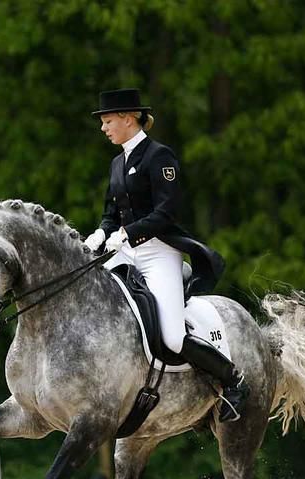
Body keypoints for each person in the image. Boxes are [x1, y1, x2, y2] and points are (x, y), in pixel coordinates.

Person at [85, 88, 249, 422]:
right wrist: (101, 233)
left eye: (108, 121)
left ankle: (233, 381)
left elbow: (166, 212)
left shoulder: (159, 157)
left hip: (159, 252)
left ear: (129, 119)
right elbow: (110, 212)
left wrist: (128, 233)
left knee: (173, 337)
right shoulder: (117, 163)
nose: (104, 128)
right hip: (124, 251)